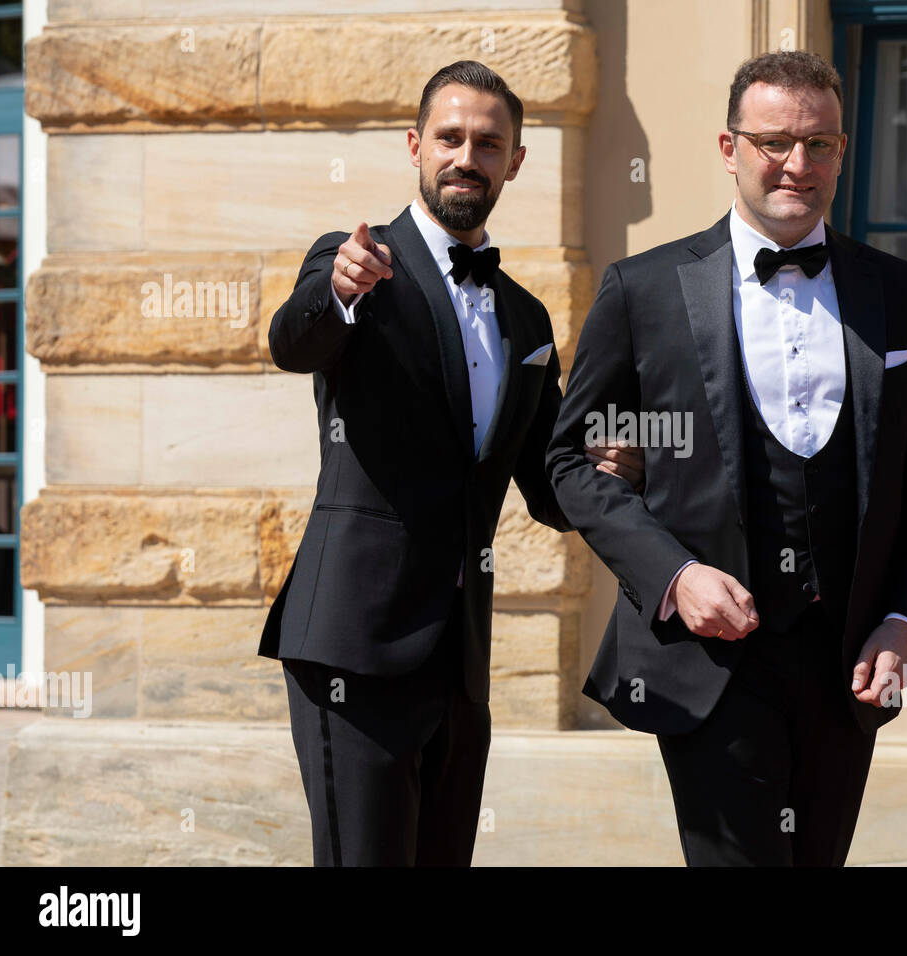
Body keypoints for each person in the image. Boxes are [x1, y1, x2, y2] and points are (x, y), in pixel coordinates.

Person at [548, 50, 907, 866]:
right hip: (710, 665)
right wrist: (673, 575)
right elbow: (572, 461)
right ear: (728, 146)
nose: (797, 165)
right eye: (775, 141)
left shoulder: (901, 293)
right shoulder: (643, 289)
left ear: (843, 151)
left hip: (847, 659)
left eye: (820, 144)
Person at [260, 60, 642, 866]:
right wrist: (337, 289)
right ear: (415, 145)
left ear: (515, 161)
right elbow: (294, 342)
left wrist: (624, 468)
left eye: (489, 143)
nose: (467, 155)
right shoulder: (356, 261)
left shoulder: (527, 318)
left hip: (462, 663)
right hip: (353, 646)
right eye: (450, 137)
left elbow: (550, 482)